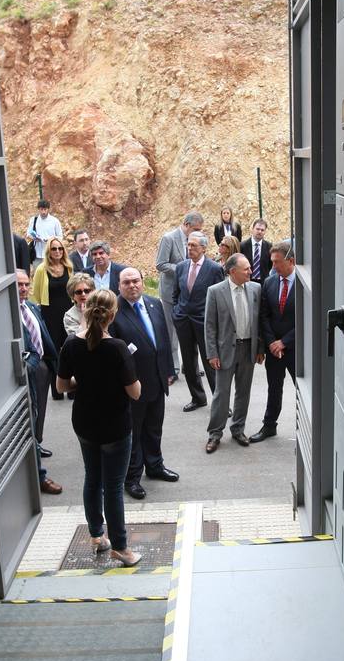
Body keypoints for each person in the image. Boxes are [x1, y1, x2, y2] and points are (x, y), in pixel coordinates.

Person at [56, 289, 141, 567]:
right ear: (112, 315)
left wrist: (85, 382)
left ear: (85, 310)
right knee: (114, 486)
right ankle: (121, 547)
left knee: (92, 479)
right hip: (115, 425)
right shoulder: (117, 347)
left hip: (84, 423)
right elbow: (135, 393)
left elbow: (62, 386)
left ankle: (96, 535)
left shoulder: (70, 344)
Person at [110, 267, 179, 500]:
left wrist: (169, 369)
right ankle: (132, 477)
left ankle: (155, 466)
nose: (132, 286)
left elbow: (163, 338)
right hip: (132, 385)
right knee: (134, 432)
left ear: (142, 282)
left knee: (154, 427)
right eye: (127, 282)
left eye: (136, 281)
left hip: (157, 380)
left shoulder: (154, 303)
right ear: (119, 286)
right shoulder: (114, 311)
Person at [204, 254, 264, 453]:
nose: (250, 271)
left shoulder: (255, 288)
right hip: (224, 351)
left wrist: (260, 349)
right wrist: (212, 353)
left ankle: (238, 429)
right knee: (222, 393)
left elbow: (259, 322)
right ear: (232, 272)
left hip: (248, 348)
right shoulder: (215, 292)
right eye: (246, 269)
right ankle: (215, 433)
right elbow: (210, 326)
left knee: (243, 392)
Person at [16, 269, 62, 493]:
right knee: (29, 423)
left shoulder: (32, 307)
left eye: (25, 284)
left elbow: (42, 336)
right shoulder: (8, 314)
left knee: (39, 413)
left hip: (43, 368)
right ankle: (38, 476)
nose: (23, 289)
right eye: (18, 285)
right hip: (27, 372)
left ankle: (38, 444)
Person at [172, 231, 224, 411]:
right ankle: (198, 398)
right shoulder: (181, 267)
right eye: (188, 244)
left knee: (211, 361)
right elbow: (175, 294)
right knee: (188, 360)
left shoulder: (215, 269)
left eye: (193, 245)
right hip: (183, 320)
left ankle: (220, 402)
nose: (190, 248)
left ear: (204, 248)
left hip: (204, 322)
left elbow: (219, 298)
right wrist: (176, 313)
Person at [250, 241, 296, 443]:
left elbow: (308, 318)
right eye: (272, 262)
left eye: (277, 262)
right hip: (274, 349)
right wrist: (271, 343)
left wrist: (284, 342)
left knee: (303, 391)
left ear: (291, 261)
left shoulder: (305, 284)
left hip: (296, 349)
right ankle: (269, 426)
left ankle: (308, 429)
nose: (274, 266)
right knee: (273, 388)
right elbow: (264, 316)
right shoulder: (269, 282)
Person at [156, 211, 204, 378]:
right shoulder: (169, 238)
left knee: (191, 329)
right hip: (170, 292)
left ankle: (191, 365)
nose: (198, 232)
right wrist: (184, 268)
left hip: (189, 293)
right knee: (172, 330)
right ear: (186, 224)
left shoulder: (195, 241)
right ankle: (173, 367)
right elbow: (161, 264)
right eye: (196, 229)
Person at [30, 237, 73, 400]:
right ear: (49, 251)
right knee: (54, 351)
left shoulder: (68, 267)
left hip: (68, 312)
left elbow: (73, 288)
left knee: (69, 348)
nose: (57, 252)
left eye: (60, 249)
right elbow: (36, 293)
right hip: (50, 314)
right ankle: (57, 389)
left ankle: (72, 388)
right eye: (54, 249)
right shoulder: (42, 269)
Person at [27, 199, 63, 268]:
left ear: (48, 209)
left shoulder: (54, 221)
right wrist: (34, 238)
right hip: (37, 254)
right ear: (38, 209)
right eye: (41, 209)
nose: (43, 212)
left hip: (51, 254)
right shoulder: (34, 220)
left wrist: (51, 239)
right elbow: (28, 233)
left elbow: (60, 236)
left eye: (45, 209)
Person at [240, 218, 272, 285]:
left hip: (263, 282)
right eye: (257, 229)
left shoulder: (269, 246)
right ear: (252, 229)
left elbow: (270, 265)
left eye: (262, 230)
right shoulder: (243, 246)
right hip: (247, 281)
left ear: (265, 232)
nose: (259, 231)